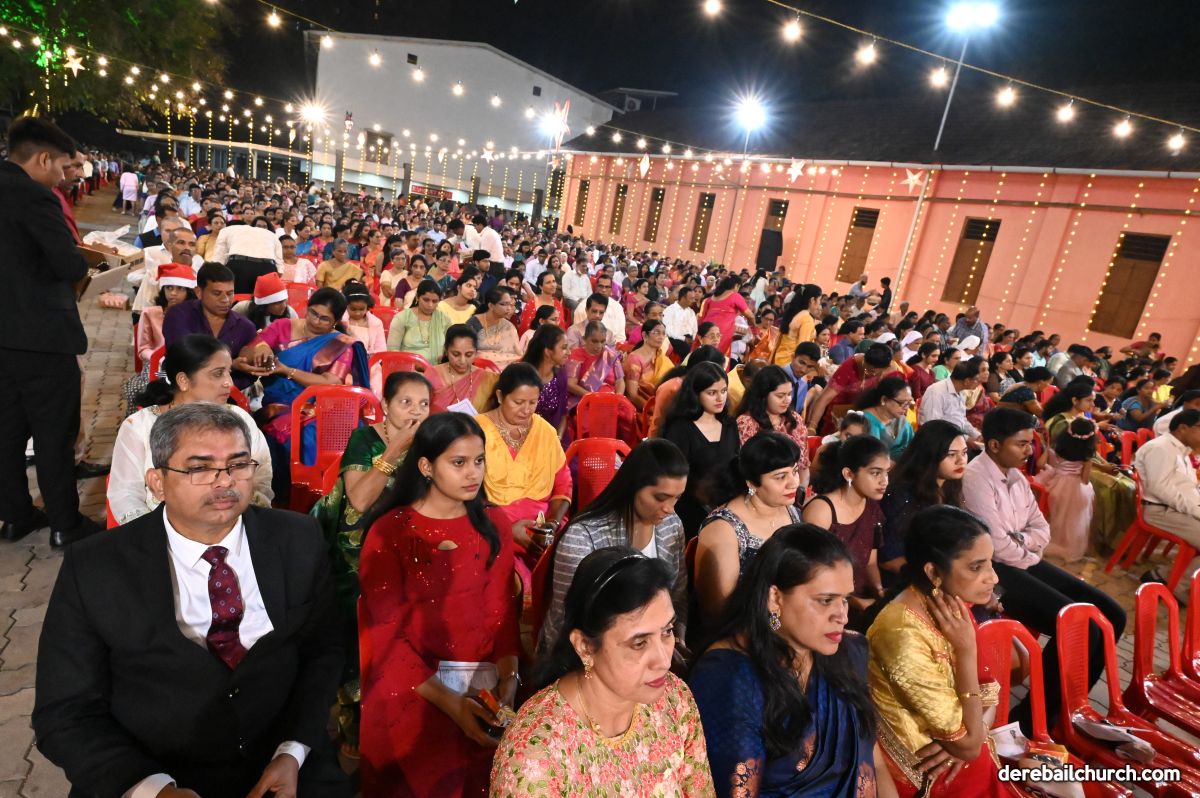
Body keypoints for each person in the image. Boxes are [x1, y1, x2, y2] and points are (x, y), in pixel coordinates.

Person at [34, 403, 349, 796]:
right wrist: (152, 789)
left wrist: (293, 750)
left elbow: (324, 651)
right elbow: (65, 712)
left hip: (282, 762)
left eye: (238, 464)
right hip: (150, 769)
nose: (225, 481)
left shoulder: (297, 539)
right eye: (200, 468)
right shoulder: (96, 566)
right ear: (157, 482)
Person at [358, 412, 519, 796]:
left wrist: (509, 681)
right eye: (458, 462)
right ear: (426, 467)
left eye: (478, 460)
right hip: (411, 684)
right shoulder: (390, 532)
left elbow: (501, 614)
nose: (473, 473)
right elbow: (387, 639)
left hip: (480, 681)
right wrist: (452, 704)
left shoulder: (493, 524)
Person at [490, 547, 715, 796]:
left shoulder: (675, 700)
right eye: (639, 643)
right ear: (585, 647)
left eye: (667, 631)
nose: (664, 661)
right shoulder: (536, 756)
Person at [691, 524, 890, 798]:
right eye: (825, 600)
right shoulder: (730, 678)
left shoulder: (849, 652)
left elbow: (875, 763)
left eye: (845, 599)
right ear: (775, 598)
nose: (842, 616)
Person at [962, 408, 1126, 732]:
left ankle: (1071, 704)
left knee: (1111, 616)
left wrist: (1022, 541)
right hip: (995, 573)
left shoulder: (1016, 476)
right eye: (1021, 443)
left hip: (1023, 560)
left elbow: (1041, 527)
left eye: (1030, 443)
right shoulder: (975, 478)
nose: (1029, 450)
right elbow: (996, 546)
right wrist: (1024, 544)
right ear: (994, 444)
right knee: (1079, 626)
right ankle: (1032, 719)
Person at [0, 116, 101, 546]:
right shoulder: (35, 196)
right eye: (62, 166)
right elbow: (68, 263)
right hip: (42, 337)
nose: (63, 177)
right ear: (43, 159)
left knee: (6, 432)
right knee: (53, 433)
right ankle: (65, 524)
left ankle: (14, 516)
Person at [868, 506, 1016, 798]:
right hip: (925, 776)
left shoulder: (949, 604)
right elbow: (969, 746)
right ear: (933, 572)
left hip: (955, 757)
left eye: (990, 563)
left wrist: (969, 737)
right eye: (976, 567)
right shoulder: (901, 635)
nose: (993, 578)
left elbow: (990, 694)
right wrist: (966, 651)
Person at [540, 439, 690, 655]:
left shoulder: (671, 526)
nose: (669, 508)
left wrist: (675, 639)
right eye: (660, 497)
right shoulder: (583, 536)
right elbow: (567, 619)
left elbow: (677, 594)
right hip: (591, 655)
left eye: (677, 498)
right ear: (633, 486)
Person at [110, 334, 273, 524]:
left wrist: (239, 526)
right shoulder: (139, 427)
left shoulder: (239, 419)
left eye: (229, 372)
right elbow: (125, 495)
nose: (229, 382)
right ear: (183, 381)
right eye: (218, 373)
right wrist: (159, 536)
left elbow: (261, 478)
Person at [240, 288, 369, 473]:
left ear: (335, 322)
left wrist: (287, 370)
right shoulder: (282, 327)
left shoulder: (341, 344)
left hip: (324, 407)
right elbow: (246, 352)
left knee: (353, 433)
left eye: (324, 319)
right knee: (305, 437)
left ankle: (337, 485)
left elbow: (331, 383)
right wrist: (261, 347)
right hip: (281, 407)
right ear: (307, 307)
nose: (316, 321)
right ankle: (300, 486)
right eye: (313, 313)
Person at [694, 433, 804, 632]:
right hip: (744, 631)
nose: (794, 483)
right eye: (780, 477)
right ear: (752, 483)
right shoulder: (723, 528)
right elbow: (718, 611)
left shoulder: (792, 512)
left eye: (795, 471)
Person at [477, 363, 572, 557]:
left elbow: (563, 484)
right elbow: (464, 493)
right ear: (500, 396)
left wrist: (551, 524)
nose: (526, 410)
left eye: (532, 402)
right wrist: (505, 529)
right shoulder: (476, 431)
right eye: (518, 402)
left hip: (544, 528)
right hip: (491, 527)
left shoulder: (545, 432)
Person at [803, 436, 889, 619]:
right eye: (875, 473)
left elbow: (870, 563)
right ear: (849, 474)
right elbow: (810, 573)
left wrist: (879, 591)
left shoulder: (872, 507)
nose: (884, 481)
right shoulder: (822, 510)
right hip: (824, 602)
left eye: (886, 473)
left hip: (861, 598)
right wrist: (853, 602)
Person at [1044, 382, 1135, 550]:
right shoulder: (1060, 421)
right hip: (1069, 467)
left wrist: (1106, 464)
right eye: (1089, 400)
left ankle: (1122, 539)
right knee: (1113, 486)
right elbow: (1068, 454)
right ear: (1075, 400)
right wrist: (1102, 467)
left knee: (1129, 485)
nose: (1092, 404)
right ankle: (1106, 538)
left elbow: (1089, 450)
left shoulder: (1081, 419)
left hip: (1086, 463)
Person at [879, 421, 968, 581]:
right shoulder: (902, 494)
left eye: (964, 452)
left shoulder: (951, 485)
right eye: (951, 455)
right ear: (930, 455)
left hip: (939, 570)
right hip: (907, 577)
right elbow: (889, 559)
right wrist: (938, 582)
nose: (961, 460)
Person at [662, 361, 741, 539]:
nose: (720, 398)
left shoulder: (729, 424)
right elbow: (674, 476)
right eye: (712, 393)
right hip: (689, 507)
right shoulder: (680, 428)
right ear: (695, 394)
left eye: (723, 391)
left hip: (726, 504)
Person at [162, 262, 261, 390]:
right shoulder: (178, 315)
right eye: (217, 293)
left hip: (228, 393)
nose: (225, 300)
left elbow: (248, 375)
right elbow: (183, 358)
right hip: (178, 386)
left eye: (230, 293)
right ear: (199, 292)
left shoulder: (245, 326)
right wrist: (231, 365)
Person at [1134, 409, 1200, 599]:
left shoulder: (1182, 450)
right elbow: (1159, 489)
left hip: (1175, 509)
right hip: (1159, 511)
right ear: (1183, 428)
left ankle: (1164, 576)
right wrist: (1194, 510)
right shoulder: (1161, 448)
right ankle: (1178, 587)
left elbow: (1186, 488)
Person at [734, 365, 812, 488]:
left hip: (794, 487)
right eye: (780, 396)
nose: (787, 400)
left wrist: (800, 491)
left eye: (789, 394)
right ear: (763, 395)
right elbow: (749, 470)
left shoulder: (795, 419)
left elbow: (803, 466)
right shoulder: (747, 423)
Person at [806, 344, 898, 435]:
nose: (867, 372)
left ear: (886, 367)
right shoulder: (850, 366)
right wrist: (812, 427)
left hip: (869, 415)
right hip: (840, 412)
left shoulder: (891, 370)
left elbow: (894, 399)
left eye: (872, 371)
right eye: (866, 367)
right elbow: (825, 398)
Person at [1042, 416, 1098, 562]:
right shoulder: (1087, 456)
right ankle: (1068, 545)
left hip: (1055, 484)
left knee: (1058, 515)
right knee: (1075, 518)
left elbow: (1045, 464)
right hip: (1075, 489)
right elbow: (1084, 480)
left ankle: (1050, 538)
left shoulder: (1057, 447)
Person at [425, 324, 500, 415]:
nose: (462, 361)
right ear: (446, 351)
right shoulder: (432, 374)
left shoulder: (488, 379)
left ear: (476, 353)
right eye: (456, 354)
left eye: (469, 355)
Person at [918, 357, 985, 448]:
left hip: (954, 438)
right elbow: (933, 425)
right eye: (976, 380)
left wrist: (977, 435)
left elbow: (961, 420)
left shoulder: (961, 392)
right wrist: (965, 439)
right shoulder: (936, 391)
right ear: (966, 381)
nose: (979, 383)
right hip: (936, 441)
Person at [386, 279, 453, 363]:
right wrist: (414, 365)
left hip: (437, 368)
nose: (430, 305)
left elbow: (451, 346)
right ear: (417, 297)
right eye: (426, 300)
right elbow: (392, 350)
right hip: (407, 368)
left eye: (435, 301)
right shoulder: (402, 317)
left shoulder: (444, 319)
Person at [521, 323, 571, 435]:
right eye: (564, 348)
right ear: (548, 352)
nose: (569, 352)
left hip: (554, 436)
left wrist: (557, 438)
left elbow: (563, 415)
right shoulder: (522, 377)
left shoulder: (560, 376)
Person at [212, 217, 284, 293]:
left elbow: (219, 256)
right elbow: (279, 264)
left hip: (239, 266)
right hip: (267, 267)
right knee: (265, 300)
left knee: (238, 298)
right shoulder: (271, 234)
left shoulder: (225, 230)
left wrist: (216, 273)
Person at [567, 320, 626, 410]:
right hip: (585, 401)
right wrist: (594, 398)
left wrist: (618, 399)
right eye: (594, 341)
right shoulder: (576, 355)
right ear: (584, 339)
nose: (599, 346)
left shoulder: (610, 355)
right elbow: (571, 385)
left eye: (602, 341)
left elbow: (620, 381)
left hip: (611, 402)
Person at [855, 376, 915, 458]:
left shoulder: (901, 420)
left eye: (909, 403)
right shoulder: (863, 421)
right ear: (884, 400)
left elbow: (913, 448)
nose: (906, 408)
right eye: (902, 403)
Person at [697, 275, 754, 357]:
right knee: (717, 357)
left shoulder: (710, 298)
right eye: (739, 287)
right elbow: (750, 315)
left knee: (702, 356)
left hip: (705, 329)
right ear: (736, 285)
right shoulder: (735, 296)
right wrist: (754, 326)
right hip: (722, 330)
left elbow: (701, 318)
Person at [623, 319, 672, 411]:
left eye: (663, 334)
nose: (661, 337)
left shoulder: (662, 358)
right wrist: (654, 410)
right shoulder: (635, 359)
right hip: (641, 409)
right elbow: (632, 395)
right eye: (657, 333)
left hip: (662, 405)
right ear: (645, 335)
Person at [467, 286, 521, 369]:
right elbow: (467, 351)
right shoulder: (474, 323)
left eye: (509, 304)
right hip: (478, 369)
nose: (509, 308)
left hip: (505, 370)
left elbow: (516, 354)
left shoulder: (508, 326)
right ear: (491, 306)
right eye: (503, 304)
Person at [772, 283, 821, 366]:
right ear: (812, 300)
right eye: (819, 300)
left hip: (779, 358)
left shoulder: (794, 313)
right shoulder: (807, 319)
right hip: (790, 363)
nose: (819, 304)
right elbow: (803, 348)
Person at [233, 272, 298, 332]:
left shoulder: (290, 313)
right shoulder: (242, 309)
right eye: (278, 303)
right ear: (264, 305)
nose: (284, 306)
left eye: (285, 300)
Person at [341, 280, 387, 354]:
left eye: (362, 309)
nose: (358, 313)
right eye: (353, 309)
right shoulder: (340, 321)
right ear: (345, 305)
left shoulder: (376, 323)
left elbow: (381, 350)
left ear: (368, 306)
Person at [517, 270, 565, 335]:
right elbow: (525, 326)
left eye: (554, 281)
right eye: (548, 282)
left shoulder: (557, 303)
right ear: (540, 286)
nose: (553, 285)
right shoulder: (532, 303)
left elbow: (561, 326)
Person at [663, 285, 699, 358]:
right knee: (690, 354)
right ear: (683, 298)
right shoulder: (670, 310)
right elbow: (668, 330)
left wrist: (693, 340)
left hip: (689, 339)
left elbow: (695, 329)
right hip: (675, 339)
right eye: (691, 298)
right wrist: (684, 339)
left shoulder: (691, 312)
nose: (693, 301)